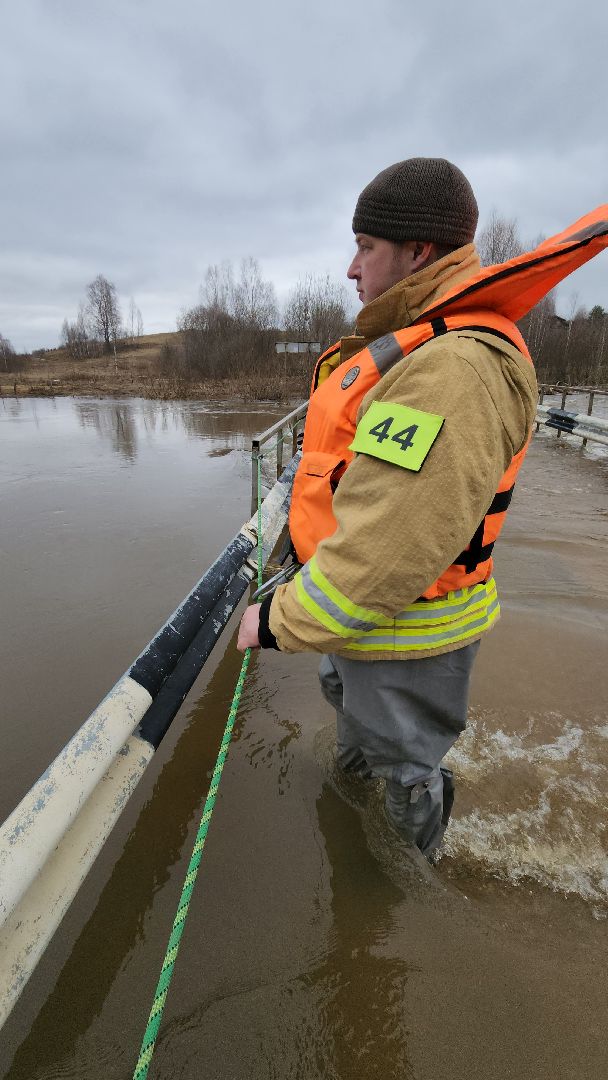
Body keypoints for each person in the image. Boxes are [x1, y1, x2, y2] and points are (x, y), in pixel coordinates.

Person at [237, 157, 538, 860]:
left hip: (411, 634)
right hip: (371, 627)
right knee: (364, 754)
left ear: (418, 252)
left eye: (365, 246)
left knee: (407, 777)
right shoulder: (419, 350)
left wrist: (276, 622)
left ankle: (409, 904)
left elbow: (387, 549)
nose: (351, 268)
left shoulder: (452, 369)